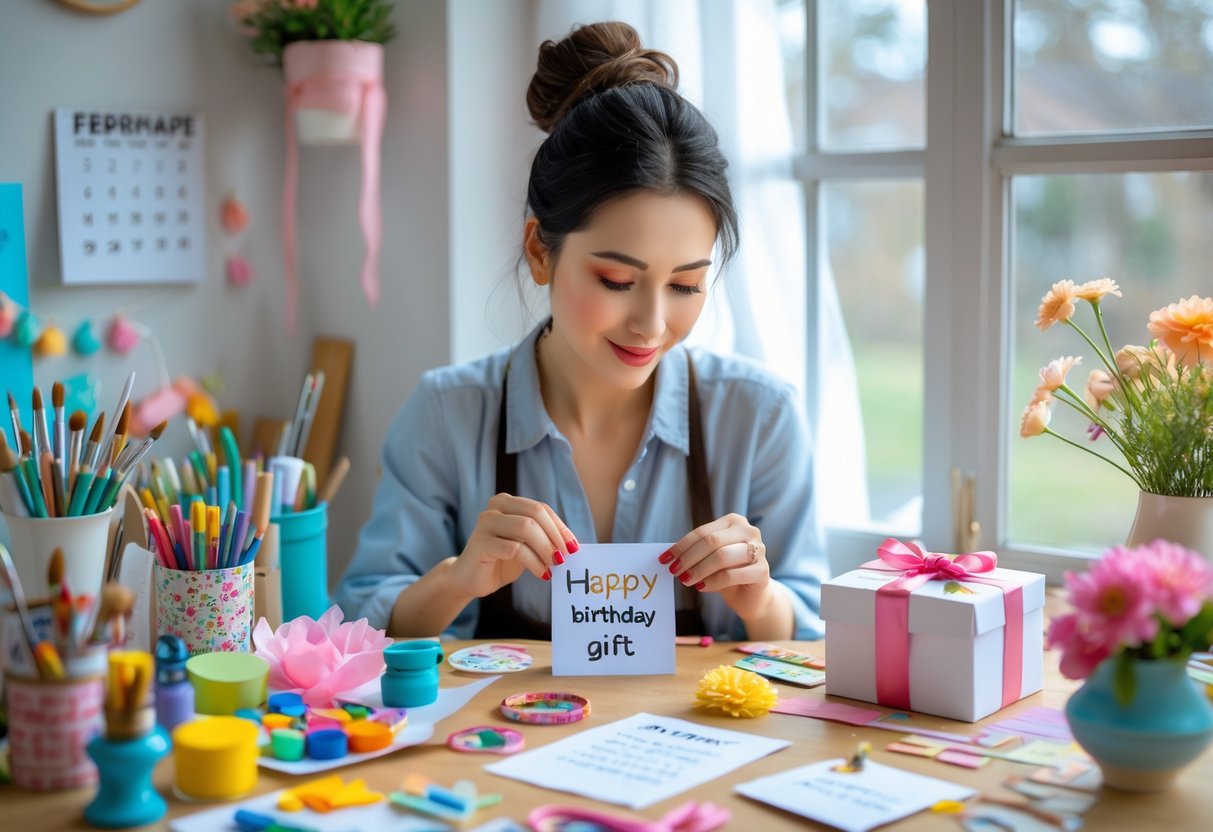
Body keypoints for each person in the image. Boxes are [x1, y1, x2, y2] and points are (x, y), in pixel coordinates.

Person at [334, 21, 827, 641]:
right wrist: (459, 577)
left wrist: (760, 597)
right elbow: (358, 626)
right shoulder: (445, 415)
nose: (652, 325)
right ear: (541, 250)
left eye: (685, 285)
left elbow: (812, 641)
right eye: (618, 280)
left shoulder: (761, 418)